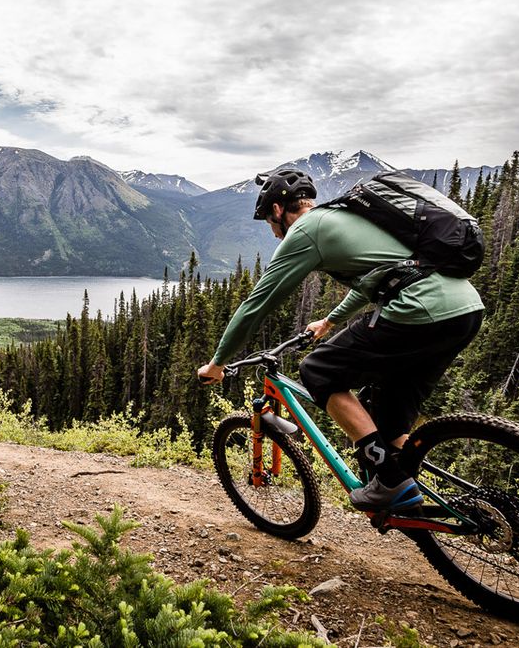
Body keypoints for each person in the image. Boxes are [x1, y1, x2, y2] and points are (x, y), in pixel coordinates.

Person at [197, 168, 484, 513]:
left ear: (277, 209)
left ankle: (391, 481)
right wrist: (330, 321)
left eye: (269, 223)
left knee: (319, 371)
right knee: (389, 417)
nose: (273, 234)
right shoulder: (344, 216)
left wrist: (218, 363)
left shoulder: (305, 230)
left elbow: (257, 304)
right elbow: (375, 281)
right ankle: (418, 504)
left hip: (416, 310)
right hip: (464, 310)